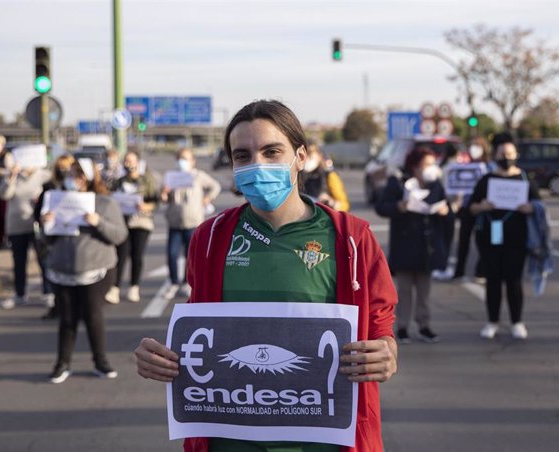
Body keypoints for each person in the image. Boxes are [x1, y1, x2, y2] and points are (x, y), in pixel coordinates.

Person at [134, 100, 397, 452]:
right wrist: (162, 358)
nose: (257, 164)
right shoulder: (210, 238)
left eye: (272, 151)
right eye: (242, 156)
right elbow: (203, 330)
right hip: (231, 439)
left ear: (300, 157)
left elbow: (380, 324)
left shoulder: (352, 238)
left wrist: (387, 352)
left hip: (324, 440)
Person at [41, 159, 128, 383]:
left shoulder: (106, 203)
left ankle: (101, 361)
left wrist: (98, 221)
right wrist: (47, 223)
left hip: (96, 270)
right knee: (67, 318)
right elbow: (48, 239)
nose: (74, 180)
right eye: (70, 175)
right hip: (63, 269)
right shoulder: (57, 200)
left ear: (90, 178)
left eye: (79, 175)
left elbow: (119, 236)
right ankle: (62, 364)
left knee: (92, 315)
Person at [375, 147, 449, 343]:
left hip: (427, 245)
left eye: (433, 164)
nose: (431, 168)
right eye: (427, 164)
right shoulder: (399, 181)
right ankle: (402, 327)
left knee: (424, 291)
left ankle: (424, 325)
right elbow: (382, 207)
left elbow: (445, 205)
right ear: (415, 166)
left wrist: (445, 211)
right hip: (405, 243)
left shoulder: (435, 183)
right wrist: (399, 207)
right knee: (404, 290)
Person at [469, 142, 540, 340]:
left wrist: (530, 208)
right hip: (489, 239)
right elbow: (471, 208)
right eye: (502, 153)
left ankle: (517, 321)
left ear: (516, 155)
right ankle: (492, 321)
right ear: (495, 155)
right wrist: (482, 206)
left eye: (509, 153)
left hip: (517, 239)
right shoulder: (486, 180)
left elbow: (538, 206)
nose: (506, 157)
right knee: (492, 281)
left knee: (514, 281)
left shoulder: (525, 179)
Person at [0, 151, 53, 309]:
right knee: (19, 262)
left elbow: (52, 192)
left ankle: (48, 292)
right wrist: (11, 177)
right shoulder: (13, 176)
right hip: (16, 225)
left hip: (37, 224)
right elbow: (3, 194)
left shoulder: (44, 175)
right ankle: (20, 294)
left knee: (43, 260)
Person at [161, 147, 221, 300]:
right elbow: (164, 198)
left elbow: (215, 186)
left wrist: (207, 198)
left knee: (191, 256)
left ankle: (187, 283)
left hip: (193, 222)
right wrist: (164, 193)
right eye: (180, 158)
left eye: (186, 159)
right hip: (174, 222)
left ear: (192, 161)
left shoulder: (198, 176)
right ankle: (173, 282)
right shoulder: (171, 177)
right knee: (172, 254)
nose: (183, 162)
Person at [105, 150, 158, 304]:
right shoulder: (119, 181)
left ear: (138, 162)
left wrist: (145, 206)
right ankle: (115, 288)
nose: (129, 164)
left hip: (141, 222)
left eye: (131, 161)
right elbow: (110, 196)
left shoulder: (146, 180)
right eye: (126, 161)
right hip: (122, 223)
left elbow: (155, 201)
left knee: (137, 255)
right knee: (120, 255)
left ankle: (134, 287)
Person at [34, 154, 76, 320]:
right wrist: (44, 218)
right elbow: (38, 213)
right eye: (61, 167)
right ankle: (56, 305)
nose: (64, 171)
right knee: (51, 270)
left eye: (68, 168)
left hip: (72, 237)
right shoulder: (49, 187)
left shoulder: (78, 190)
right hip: (53, 237)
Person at [452, 136, 491, 280]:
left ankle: (481, 271)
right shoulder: (464, 165)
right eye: (472, 145)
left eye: (477, 146)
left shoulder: (489, 167)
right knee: (463, 241)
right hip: (467, 207)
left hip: (484, 210)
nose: (474, 149)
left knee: (483, 241)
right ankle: (459, 271)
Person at [302, 141, 351, 212]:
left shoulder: (329, 176)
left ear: (319, 157)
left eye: (310, 156)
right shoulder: (296, 176)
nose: (307, 160)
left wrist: (331, 202)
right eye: (305, 156)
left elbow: (345, 205)